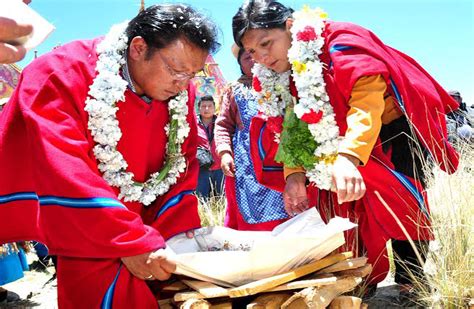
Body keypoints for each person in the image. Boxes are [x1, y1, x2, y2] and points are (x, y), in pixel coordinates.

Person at [232, 0, 459, 294]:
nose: (261, 57)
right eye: (251, 52)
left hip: (391, 129)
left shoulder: (340, 41)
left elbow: (367, 102)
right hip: (334, 142)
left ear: (290, 27)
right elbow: (291, 124)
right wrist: (294, 174)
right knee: (346, 208)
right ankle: (361, 279)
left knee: (405, 205)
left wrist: (349, 157)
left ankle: (410, 282)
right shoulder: (276, 74)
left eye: (266, 43)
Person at [0, 4, 219, 308]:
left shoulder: (181, 94)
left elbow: (182, 166)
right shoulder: (59, 72)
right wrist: (128, 240)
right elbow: (64, 168)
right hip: (89, 228)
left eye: (191, 75)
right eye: (175, 70)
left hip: (152, 231)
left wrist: (175, 241)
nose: (183, 84)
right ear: (138, 48)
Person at [214, 45, 287, 231]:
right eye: (247, 58)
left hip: (278, 155)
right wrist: (225, 153)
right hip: (247, 162)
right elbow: (223, 125)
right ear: (239, 64)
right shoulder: (234, 90)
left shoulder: (279, 82)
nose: (253, 61)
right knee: (249, 210)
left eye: (256, 57)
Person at [196, 95, 224, 198]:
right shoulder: (193, 123)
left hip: (220, 167)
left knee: (222, 200)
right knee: (203, 201)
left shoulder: (222, 122)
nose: (206, 109)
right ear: (199, 108)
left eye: (209, 106)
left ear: (214, 107)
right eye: (203, 106)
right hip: (201, 168)